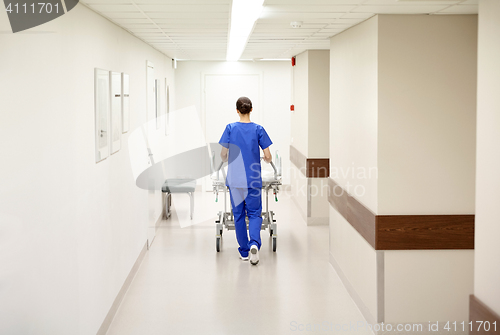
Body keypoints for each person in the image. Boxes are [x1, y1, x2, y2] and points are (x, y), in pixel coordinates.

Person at [219, 97, 273, 265]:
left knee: (239, 215)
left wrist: (227, 157)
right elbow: (269, 156)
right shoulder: (258, 129)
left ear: (237, 110)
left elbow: (222, 154)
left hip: (235, 180)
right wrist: (266, 158)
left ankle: (243, 251)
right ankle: (254, 244)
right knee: (255, 213)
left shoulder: (230, 128)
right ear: (251, 109)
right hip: (253, 180)